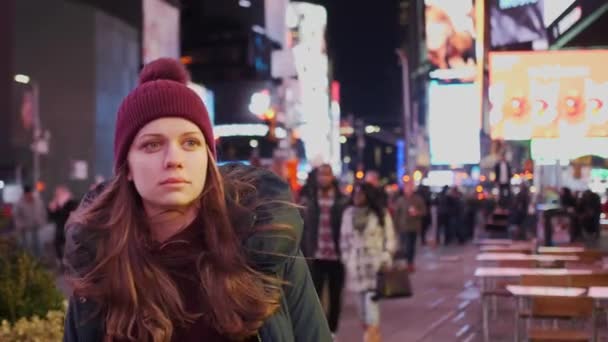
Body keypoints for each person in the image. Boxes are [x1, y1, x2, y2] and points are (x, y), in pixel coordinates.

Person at [63, 58, 331, 342]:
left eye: (190, 143)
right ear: (126, 166)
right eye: (152, 145)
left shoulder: (266, 244)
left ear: (208, 157)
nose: (174, 160)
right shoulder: (98, 264)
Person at [340, 182, 397, 342]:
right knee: (362, 315)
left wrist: (385, 258)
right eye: (355, 193)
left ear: (368, 195)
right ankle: (373, 337)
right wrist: (347, 259)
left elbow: (390, 238)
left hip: (375, 269)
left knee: (372, 313)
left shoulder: (380, 214)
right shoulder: (348, 214)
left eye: (361, 193)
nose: (357, 196)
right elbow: (344, 241)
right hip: (355, 270)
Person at [299, 164, 349, 337]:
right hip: (317, 256)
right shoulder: (309, 199)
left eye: (327, 175)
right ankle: (318, 331)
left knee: (335, 298)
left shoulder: (342, 200)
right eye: (321, 175)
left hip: (337, 256)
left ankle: (332, 332)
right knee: (315, 298)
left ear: (332, 177)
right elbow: (303, 228)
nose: (324, 178)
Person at [394, 181, 426, 272]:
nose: (408, 190)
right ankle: (405, 263)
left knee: (411, 246)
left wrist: (417, 213)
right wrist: (395, 226)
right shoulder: (400, 200)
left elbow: (424, 211)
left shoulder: (418, 199)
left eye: (410, 188)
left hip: (413, 227)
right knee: (404, 246)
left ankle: (410, 263)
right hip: (402, 227)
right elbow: (397, 214)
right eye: (406, 188)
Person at [48, 185, 79, 266]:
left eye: (59, 193)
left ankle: (70, 262)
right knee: (57, 244)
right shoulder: (57, 204)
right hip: (60, 229)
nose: (57, 195)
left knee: (69, 246)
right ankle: (61, 261)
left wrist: (62, 206)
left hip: (70, 228)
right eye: (56, 194)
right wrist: (52, 209)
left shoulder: (71, 203)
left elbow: (72, 214)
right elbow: (52, 218)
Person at [13, 184, 47, 257]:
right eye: (27, 194)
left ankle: (39, 259)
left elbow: (43, 211)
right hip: (25, 228)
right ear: (24, 194)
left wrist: (42, 221)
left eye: (30, 193)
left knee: (38, 244)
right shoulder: (19, 203)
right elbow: (16, 215)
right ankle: (28, 259)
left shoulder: (38, 201)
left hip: (36, 226)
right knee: (26, 245)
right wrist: (20, 225)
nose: (29, 195)